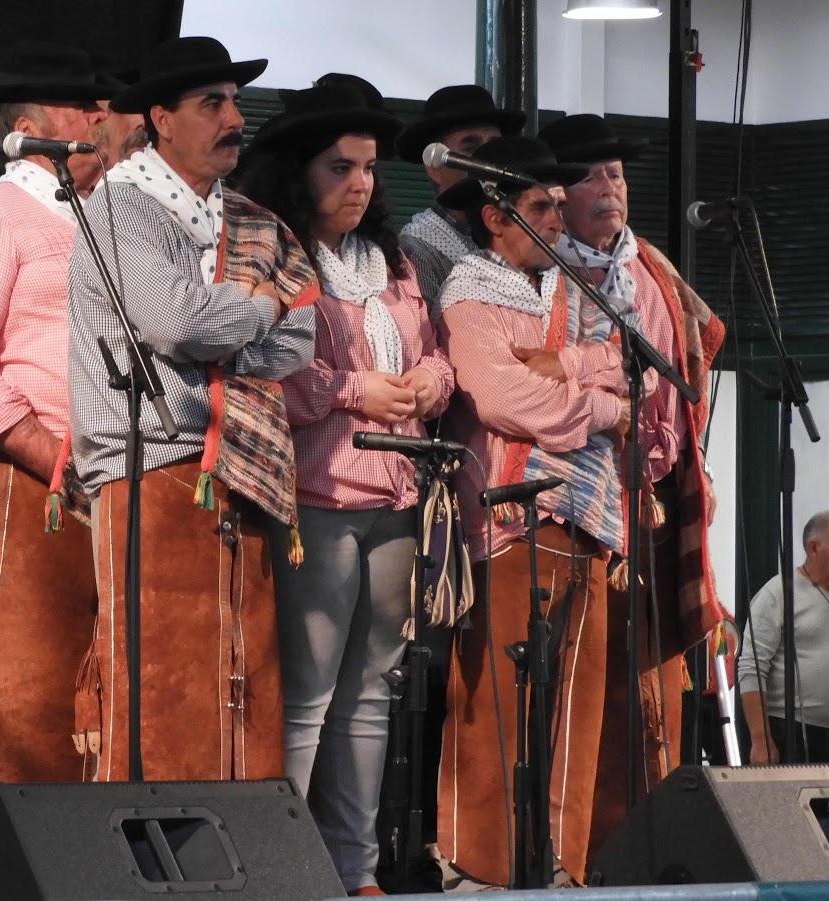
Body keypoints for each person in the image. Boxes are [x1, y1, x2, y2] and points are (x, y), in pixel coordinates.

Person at [68, 35, 317, 782]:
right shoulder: (121, 208)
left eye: (235, 101)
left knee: (241, 681)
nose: (233, 116)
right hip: (149, 467)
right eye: (213, 103)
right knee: (164, 687)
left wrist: (237, 322)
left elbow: (300, 333)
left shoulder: (249, 218)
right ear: (161, 120)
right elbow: (180, 322)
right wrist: (256, 305)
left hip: (233, 468)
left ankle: (231, 865)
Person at [237, 85, 453, 896]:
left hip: (397, 494)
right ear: (300, 171)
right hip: (319, 494)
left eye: (366, 167)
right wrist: (355, 390)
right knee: (308, 695)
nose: (359, 182)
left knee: (371, 695)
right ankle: (289, 870)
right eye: (340, 167)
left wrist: (426, 385)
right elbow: (268, 379)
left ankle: (355, 869)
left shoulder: (392, 263)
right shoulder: (280, 257)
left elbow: (437, 356)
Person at [431, 136, 629, 888]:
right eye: (541, 207)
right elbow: (507, 401)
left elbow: (623, 359)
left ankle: (561, 870)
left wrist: (573, 369)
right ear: (496, 217)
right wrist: (604, 408)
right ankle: (480, 867)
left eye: (557, 204)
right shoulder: (469, 290)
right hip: (510, 520)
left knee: (575, 712)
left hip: (590, 517)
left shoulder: (583, 288)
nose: (557, 219)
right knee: (499, 704)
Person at [537, 113, 729, 854]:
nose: (609, 187)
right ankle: (590, 849)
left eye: (616, 174)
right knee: (593, 687)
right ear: (558, 191)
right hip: (584, 499)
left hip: (655, 497)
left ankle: (661, 837)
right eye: (590, 176)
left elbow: (697, 347)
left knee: (658, 679)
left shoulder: (649, 266)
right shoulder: (547, 273)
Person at [0, 41, 114, 785]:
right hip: (26, 476)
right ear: (34, 125)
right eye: (82, 106)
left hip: (118, 475)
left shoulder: (108, 217)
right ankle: (12, 844)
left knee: (108, 676)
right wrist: (50, 456)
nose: (102, 116)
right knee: (27, 676)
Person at [740, 511, 829, 765]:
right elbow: (752, 669)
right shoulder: (777, 594)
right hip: (790, 732)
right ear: (813, 547)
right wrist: (761, 740)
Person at [396, 86, 527, 309]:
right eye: (471, 148)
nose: (488, 159)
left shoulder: (518, 233)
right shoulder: (417, 250)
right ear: (434, 166)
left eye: (494, 145)